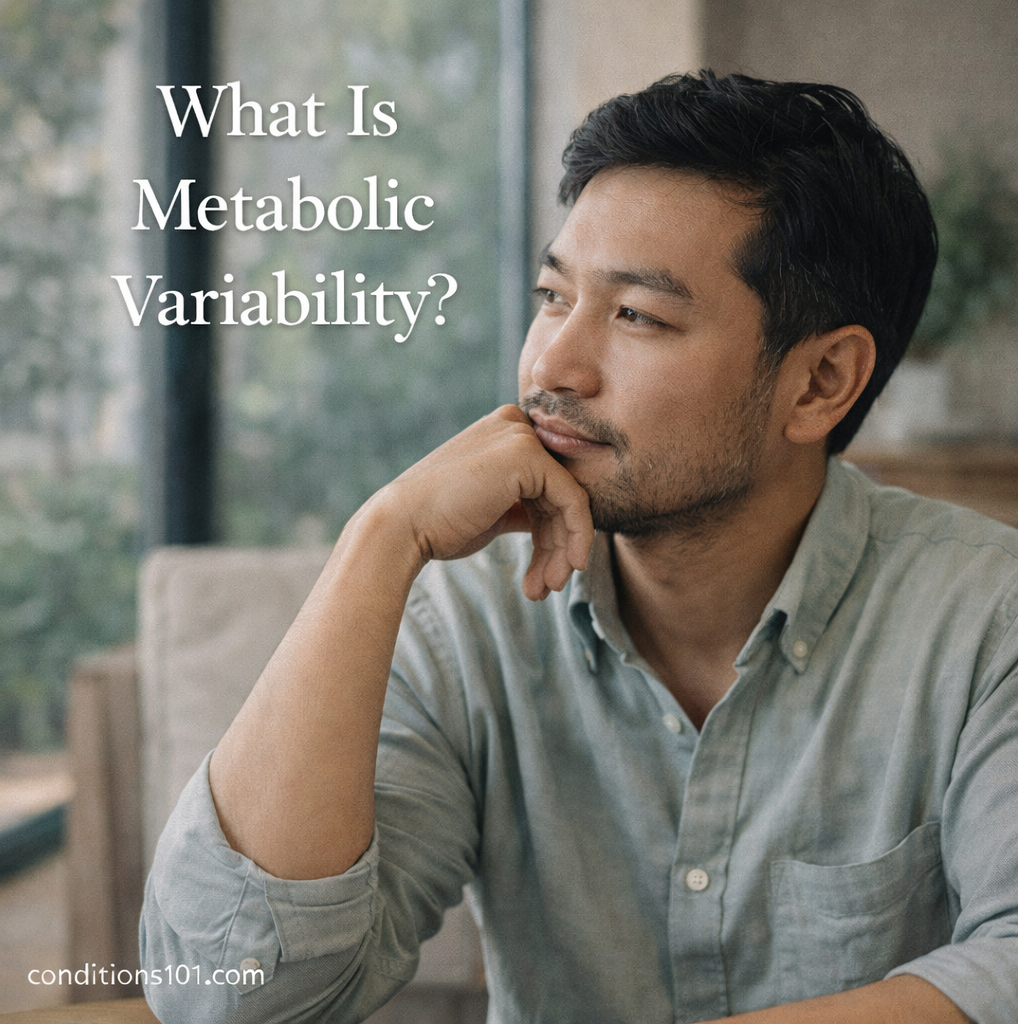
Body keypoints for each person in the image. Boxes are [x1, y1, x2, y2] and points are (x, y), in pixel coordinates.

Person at [140, 71, 1018, 1023]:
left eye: (638, 315)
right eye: (554, 296)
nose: (552, 366)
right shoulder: (465, 619)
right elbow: (229, 998)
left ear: (820, 382)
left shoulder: (984, 619)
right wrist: (380, 538)